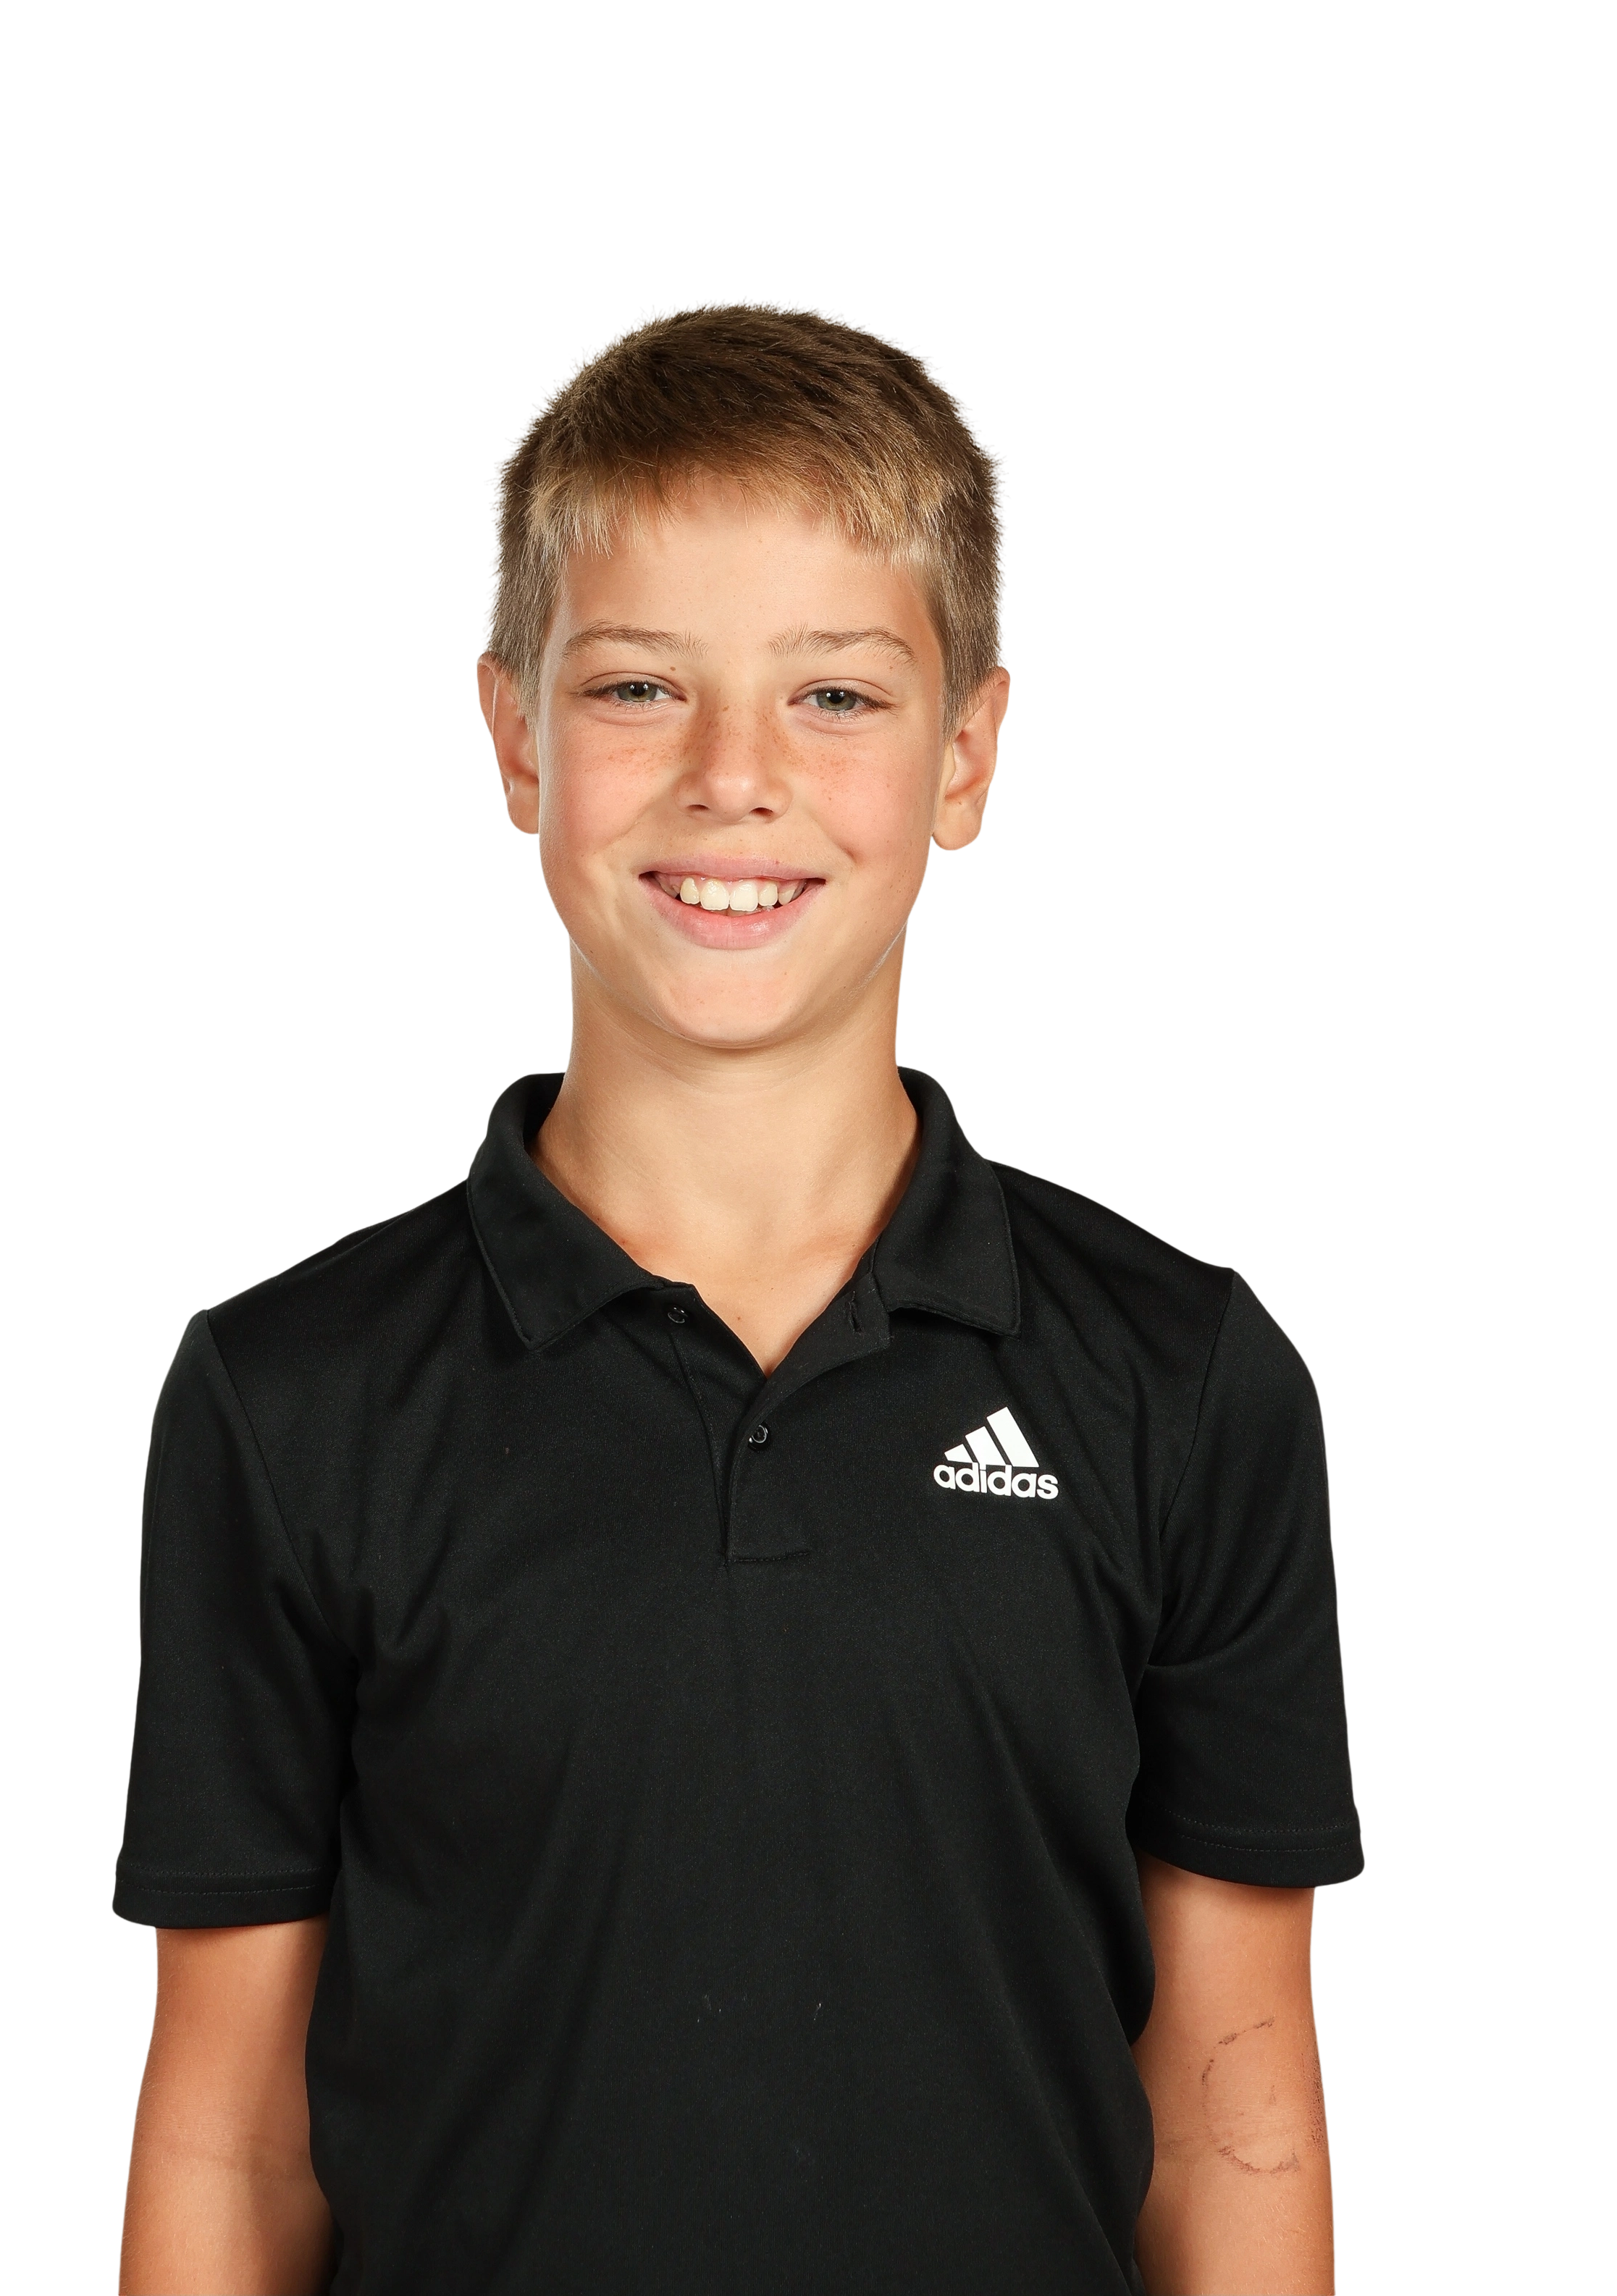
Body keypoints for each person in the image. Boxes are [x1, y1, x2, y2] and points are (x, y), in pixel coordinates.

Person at [112, 297, 1362, 2295]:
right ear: (513, 738)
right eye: (639, 689)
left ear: (968, 759)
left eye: (835, 696)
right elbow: (232, 2131)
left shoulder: (1183, 1377)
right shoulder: (290, 1398)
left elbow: (1235, 2106)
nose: (733, 779)